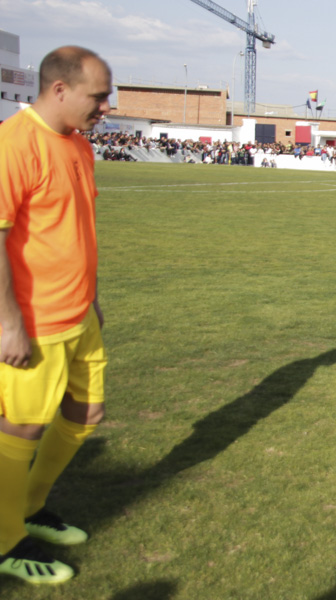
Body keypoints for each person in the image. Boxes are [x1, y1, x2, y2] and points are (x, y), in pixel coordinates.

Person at [0, 46, 112, 585]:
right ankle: (4, 541)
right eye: (99, 96)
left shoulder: (80, 147)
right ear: (60, 89)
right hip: (35, 319)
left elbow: (76, 230)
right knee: (21, 426)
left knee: (86, 416)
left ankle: (29, 507)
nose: (106, 106)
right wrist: (8, 323)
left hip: (79, 314)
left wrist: (93, 296)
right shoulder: (13, 144)